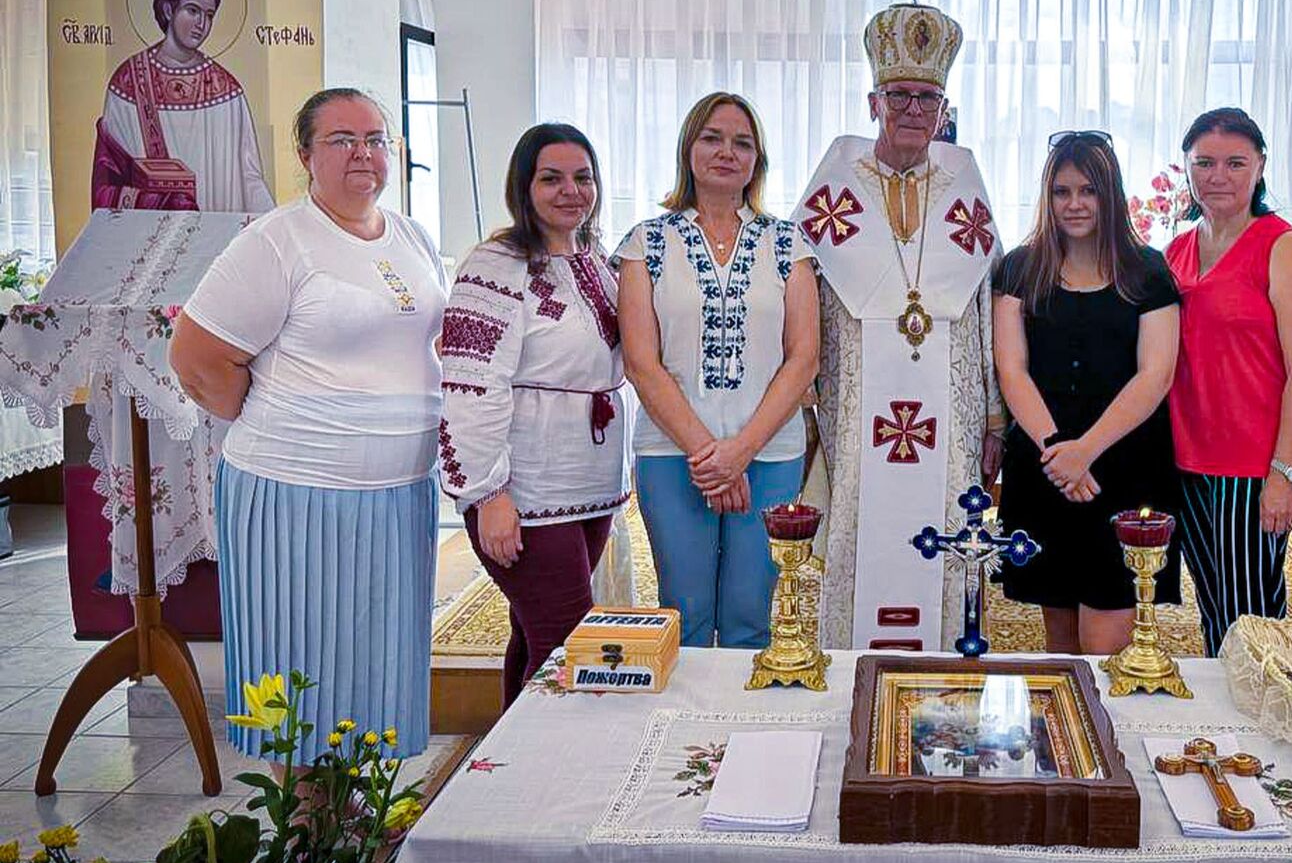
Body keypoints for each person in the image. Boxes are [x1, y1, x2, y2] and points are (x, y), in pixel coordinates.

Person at [170, 88, 444, 763]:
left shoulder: (411, 235)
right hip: (294, 494)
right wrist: (286, 417)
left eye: (377, 139)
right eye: (342, 140)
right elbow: (197, 358)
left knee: (375, 671)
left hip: (398, 496)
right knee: (299, 672)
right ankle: (303, 837)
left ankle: (352, 828)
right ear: (304, 155)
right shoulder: (276, 239)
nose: (364, 154)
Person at [795, 0, 1005, 651]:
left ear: (945, 110)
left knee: (947, 526)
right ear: (873, 102)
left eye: (926, 98)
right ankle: (853, 679)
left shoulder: (965, 187)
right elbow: (811, 307)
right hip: (859, 404)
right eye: (900, 95)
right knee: (862, 518)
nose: (913, 110)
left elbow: (984, 305)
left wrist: (994, 416)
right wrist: (809, 409)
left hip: (951, 404)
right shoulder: (834, 187)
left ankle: (942, 668)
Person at [616, 92, 818, 648]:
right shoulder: (646, 243)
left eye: (742, 142)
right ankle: (686, 738)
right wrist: (710, 454)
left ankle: (742, 736)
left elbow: (804, 359)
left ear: (758, 160)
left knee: (754, 615)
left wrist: (740, 453)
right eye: (712, 138)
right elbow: (640, 361)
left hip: (770, 455)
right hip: (672, 453)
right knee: (685, 613)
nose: (726, 152)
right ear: (689, 149)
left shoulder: (789, 244)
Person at [438, 123, 627, 705]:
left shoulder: (597, 259)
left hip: (587, 482)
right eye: (552, 178)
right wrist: (488, 492)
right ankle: (555, 783)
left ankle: (501, 765)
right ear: (524, 186)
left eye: (583, 177)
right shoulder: (496, 264)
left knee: (533, 634)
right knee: (568, 648)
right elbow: (471, 381)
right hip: (526, 485)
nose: (571, 190)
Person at [991, 131, 1181, 655]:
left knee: (1107, 641)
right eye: (1062, 191)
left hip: (1121, 469)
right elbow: (1013, 371)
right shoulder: (1020, 268)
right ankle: (1067, 736)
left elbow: (1155, 376)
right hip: (1047, 465)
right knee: (1062, 643)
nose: (1074, 204)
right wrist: (1060, 453)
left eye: (1088, 190)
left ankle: (1105, 739)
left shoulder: (1147, 270)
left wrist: (1085, 451)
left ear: (1110, 195)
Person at [1164, 108, 1292, 657]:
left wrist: (1286, 472)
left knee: (1252, 616)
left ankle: (1265, 732)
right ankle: (1229, 729)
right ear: (1186, 169)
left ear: (1260, 166)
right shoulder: (1177, 249)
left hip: (1251, 465)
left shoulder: (1283, 247)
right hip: (1187, 457)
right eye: (1204, 163)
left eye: (1235, 162)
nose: (1218, 176)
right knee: (1214, 608)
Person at [92, 0, 275, 213]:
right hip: (149, 236)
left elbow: (249, 178)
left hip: (217, 235)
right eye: (193, 10)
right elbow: (109, 181)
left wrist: (273, 226)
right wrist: (162, 202)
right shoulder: (129, 82)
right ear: (168, 10)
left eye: (209, 15)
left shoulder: (226, 89)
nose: (202, 24)